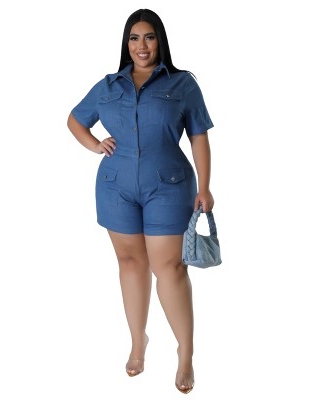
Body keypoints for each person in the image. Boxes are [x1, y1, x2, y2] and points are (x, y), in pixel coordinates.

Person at [67, 9, 215, 394]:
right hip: (116, 187)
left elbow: (198, 136)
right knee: (130, 264)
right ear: (126, 43)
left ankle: (185, 351)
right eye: (134, 38)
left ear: (160, 41)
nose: (142, 45)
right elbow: (75, 120)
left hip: (169, 186)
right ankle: (138, 342)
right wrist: (95, 145)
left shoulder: (182, 83)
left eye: (149, 37)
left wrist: (205, 186)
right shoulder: (108, 85)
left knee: (170, 268)